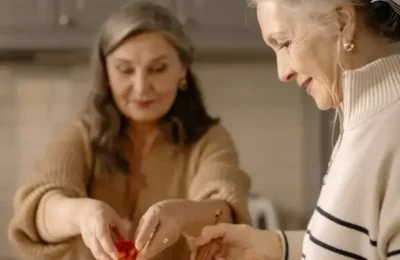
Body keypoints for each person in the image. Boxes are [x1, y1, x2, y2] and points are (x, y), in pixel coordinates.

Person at [7, 2, 251, 260]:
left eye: (157, 69)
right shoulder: (81, 133)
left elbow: (226, 210)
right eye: (124, 70)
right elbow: (37, 210)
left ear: (183, 68)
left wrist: (181, 216)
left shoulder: (209, 139)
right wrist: (82, 215)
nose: (141, 87)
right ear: (107, 73)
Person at [191, 0, 400, 259]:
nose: (282, 72)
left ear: (343, 23)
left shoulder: (392, 131)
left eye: (285, 43)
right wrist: (277, 247)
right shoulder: (365, 120)